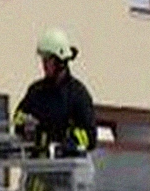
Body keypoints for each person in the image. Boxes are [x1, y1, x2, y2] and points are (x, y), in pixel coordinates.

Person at [13, 28, 97, 158]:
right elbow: (18, 118)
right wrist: (25, 125)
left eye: (48, 60)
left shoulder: (78, 95)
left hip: (66, 172)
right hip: (37, 168)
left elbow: (90, 137)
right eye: (43, 60)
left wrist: (67, 144)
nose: (44, 65)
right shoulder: (36, 91)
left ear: (60, 62)